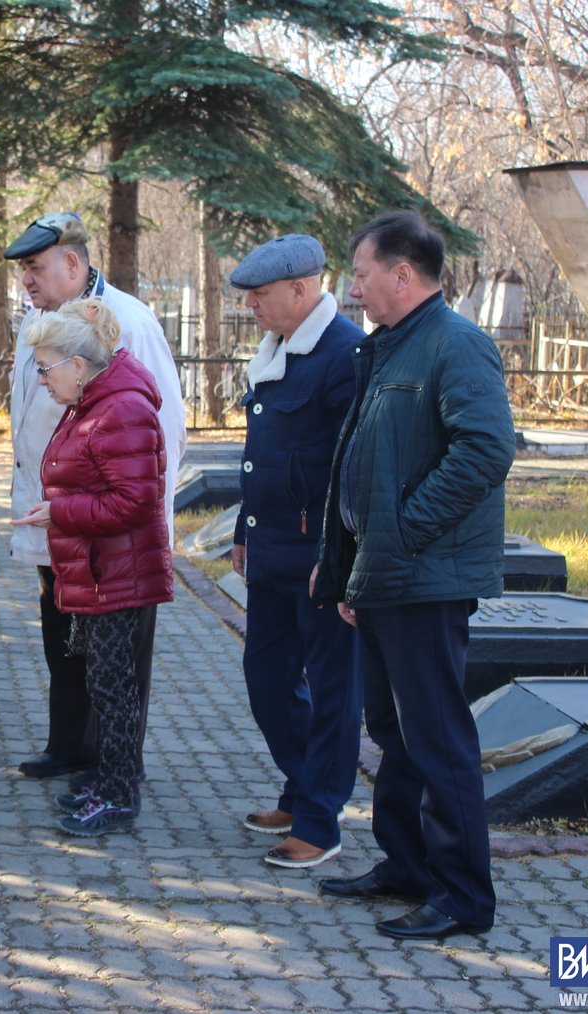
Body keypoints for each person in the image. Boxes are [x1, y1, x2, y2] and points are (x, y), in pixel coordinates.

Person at [311, 210, 515, 940]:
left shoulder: (455, 344)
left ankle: (462, 898)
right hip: (388, 572)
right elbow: (363, 462)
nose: (353, 287)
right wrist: (350, 570)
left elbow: (486, 450)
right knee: (393, 732)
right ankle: (406, 866)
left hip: (425, 576)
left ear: (402, 274)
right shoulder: (390, 346)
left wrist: (398, 534)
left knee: (436, 738)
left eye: (361, 274)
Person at [3, 211, 187, 781]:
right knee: (65, 640)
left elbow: (166, 427)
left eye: (35, 268)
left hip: (111, 531)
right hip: (56, 522)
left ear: (73, 263)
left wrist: (141, 524)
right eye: (23, 272)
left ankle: (114, 765)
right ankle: (71, 747)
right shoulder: (40, 320)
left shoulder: (127, 320)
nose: (26, 282)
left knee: (116, 658)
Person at [12, 298, 173, 836]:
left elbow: (134, 501)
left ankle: (120, 794)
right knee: (103, 682)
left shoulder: (121, 407)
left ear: (77, 365)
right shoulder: (92, 402)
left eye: (45, 368)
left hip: (119, 574)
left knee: (113, 686)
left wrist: (60, 511)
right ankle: (109, 780)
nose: (41, 380)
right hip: (101, 569)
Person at [227, 234, 362, 870]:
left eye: (261, 295)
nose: (251, 305)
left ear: (303, 290)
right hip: (272, 549)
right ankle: (300, 785)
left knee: (332, 691)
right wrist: (242, 534)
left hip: (318, 558)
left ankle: (319, 820)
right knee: (267, 680)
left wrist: (336, 558)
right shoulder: (276, 349)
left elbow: (349, 470)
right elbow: (265, 457)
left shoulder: (343, 355)